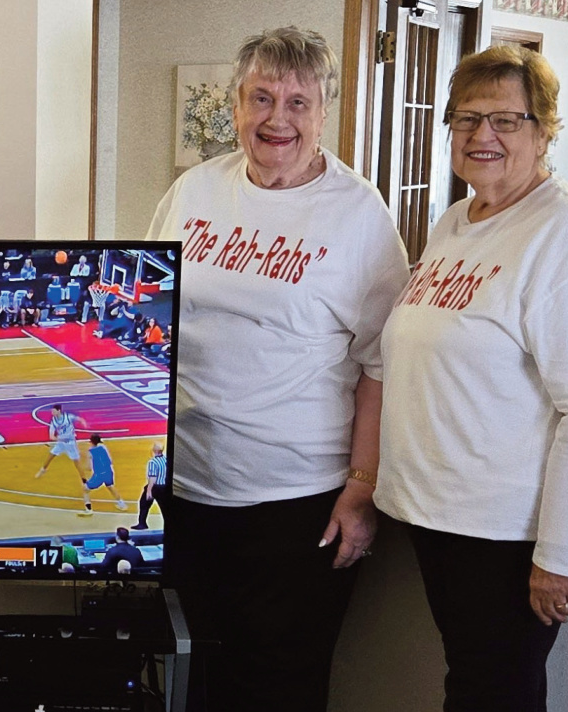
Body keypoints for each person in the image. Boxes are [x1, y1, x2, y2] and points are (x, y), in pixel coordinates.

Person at [141, 27, 408, 711]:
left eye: (297, 101)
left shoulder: (358, 214)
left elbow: (381, 363)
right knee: (184, 678)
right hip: (184, 489)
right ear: (233, 107)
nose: (275, 118)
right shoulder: (194, 190)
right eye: (260, 98)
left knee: (278, 686)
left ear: (323, 114)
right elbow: (145, 317)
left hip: (296, 501)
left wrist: (360, 488)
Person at [376, 46, 568, 712]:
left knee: (491, 690)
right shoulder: (456, 221)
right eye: (465, 119)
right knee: (476, 679)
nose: (480, 136)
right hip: (447, 514)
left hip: (512, 526)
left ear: (544, 130)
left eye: (504, 120)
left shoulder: (566, 234)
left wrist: (555, 553)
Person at [35, 404, 89, 481]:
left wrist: (84, 423)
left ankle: (84, 481)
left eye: (53, 411)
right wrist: (60, 439)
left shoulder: (68, 417)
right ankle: (43, 470)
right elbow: (51, 437)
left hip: (70, 443)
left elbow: (80, 419)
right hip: (61, 442)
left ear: (59, 411)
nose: (52, 413)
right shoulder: (53, 421)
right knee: (51, 455)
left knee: (77, 463)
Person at [80, 434, 129, 516]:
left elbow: (88, 467)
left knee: (85, 489)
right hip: (109, 471)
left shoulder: (90, 452)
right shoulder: (104, 447)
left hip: (99, 475)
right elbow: (110, 460)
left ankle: (88, 509)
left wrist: (83, 467)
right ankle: (122, 504)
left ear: (91, 442)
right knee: (110, 487)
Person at [136, 441, 167, 530]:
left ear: (154, 450)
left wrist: (149, 491)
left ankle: (142, 523)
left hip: (155, 487)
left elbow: (152, 477)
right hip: (164, 487)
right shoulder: (166, 459)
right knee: (164, 508)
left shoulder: (153, 462)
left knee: (144, 504)